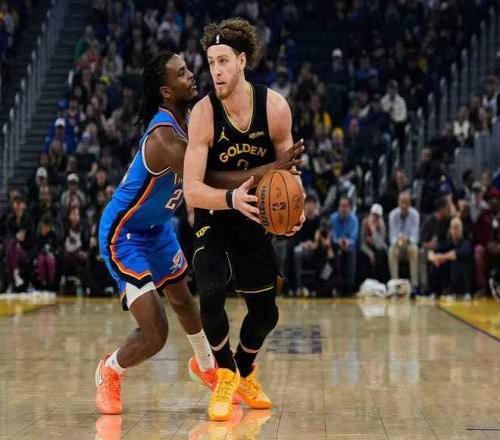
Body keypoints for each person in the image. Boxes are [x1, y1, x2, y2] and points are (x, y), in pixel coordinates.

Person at [183, 18, 304, 421]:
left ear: (241, 60)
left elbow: (289, 174)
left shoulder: (275, 108)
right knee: (210, 293)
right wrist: (229, 199)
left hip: (253, 214)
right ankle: (223, 375)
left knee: (266, 313)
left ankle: (244, 370)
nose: (215, 71)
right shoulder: (204, 113)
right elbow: (191, 188)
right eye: (210, 62)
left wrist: (297, 209)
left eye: (223, 61)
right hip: (215, 212)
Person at [95, 52, 216, 416]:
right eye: (182, 73)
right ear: (166, 91)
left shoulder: (190, 119)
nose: (191, 75)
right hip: (124, 234)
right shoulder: (163, 137)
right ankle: (109, 370)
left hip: (157, 228)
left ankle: (207, 368)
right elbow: (208, 176)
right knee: (156, 333)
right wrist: (266, 171)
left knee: (183, 299)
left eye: (188, 69)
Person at [428, 217, 473, 299]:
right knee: (435, 264)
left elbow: (454, 255)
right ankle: (435, 292)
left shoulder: (466, 243)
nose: (454, 231)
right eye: (453, 228)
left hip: (464, 280)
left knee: (456, 263)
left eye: (457, 228)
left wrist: (440, 257)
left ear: (461, 229)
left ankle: (461, 293)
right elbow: (432, 252)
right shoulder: (449, 242)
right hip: (450, 275)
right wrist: (434, 258)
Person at [388, 191, 420, 295]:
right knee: (391, 251)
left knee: (414, 250)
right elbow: (392, 237)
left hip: (409, 244)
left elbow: (415, 238)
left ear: (410, 203)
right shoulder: (392, 215)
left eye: (406, 203)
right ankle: (395, 285)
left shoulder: (415, 214)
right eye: (402, 202)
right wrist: (398, 240)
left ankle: (414, 286)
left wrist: (407, 239)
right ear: (398, 203)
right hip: (397, 245)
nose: (404, 205)